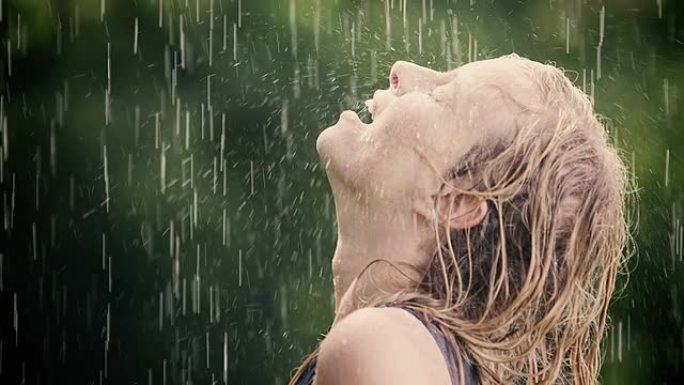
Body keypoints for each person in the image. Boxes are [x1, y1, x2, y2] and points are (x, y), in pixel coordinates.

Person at [288, 54, 630, 385]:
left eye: (439, 96)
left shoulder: (378, 344)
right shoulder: (419, 352)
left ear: (455, 202)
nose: (400, 70)